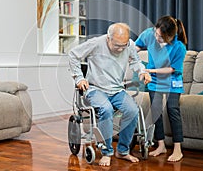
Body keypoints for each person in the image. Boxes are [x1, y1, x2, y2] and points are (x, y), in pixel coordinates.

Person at [69, 23, 151, 166]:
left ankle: (123, 151)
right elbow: (73, 55)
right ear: (108, 38)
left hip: (117, 90)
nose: (120, 49)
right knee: (105, 109)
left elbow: (136, 61)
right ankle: (106, 152)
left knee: (133, 110)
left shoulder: (129, 45)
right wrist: (79, 78)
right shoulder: (96, 43)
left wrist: (142, 71)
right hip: (95, 89)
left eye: (123, 45)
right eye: (117, 45)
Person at [134, 15, 188, 162]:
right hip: (155, 82)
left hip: (172, 81)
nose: (157, 38)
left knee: (172, 110)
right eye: (157, 34)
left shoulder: (179, 47)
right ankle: (161, 145)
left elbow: (172, 69)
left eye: (162, 37)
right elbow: (136, 47)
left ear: (171, 36)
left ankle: (178, 149)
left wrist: (149, 71)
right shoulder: (149, 34)